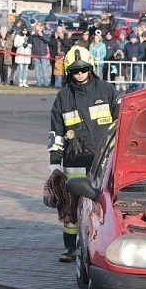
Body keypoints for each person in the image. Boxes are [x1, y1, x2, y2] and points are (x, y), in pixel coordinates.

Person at [48, 47, 120, 262]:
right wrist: (54, 163)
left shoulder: (106, 90)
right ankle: (71, 248)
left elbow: (122, 123)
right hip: (74, 162)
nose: (80, 73)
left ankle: (104, 247)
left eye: (84, 69)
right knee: (71, 206)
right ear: (69, 71)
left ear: (91, 68)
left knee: (104, 205)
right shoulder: (63, 97)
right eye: (75, 70)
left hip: (103, 162)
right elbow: (56, 132)